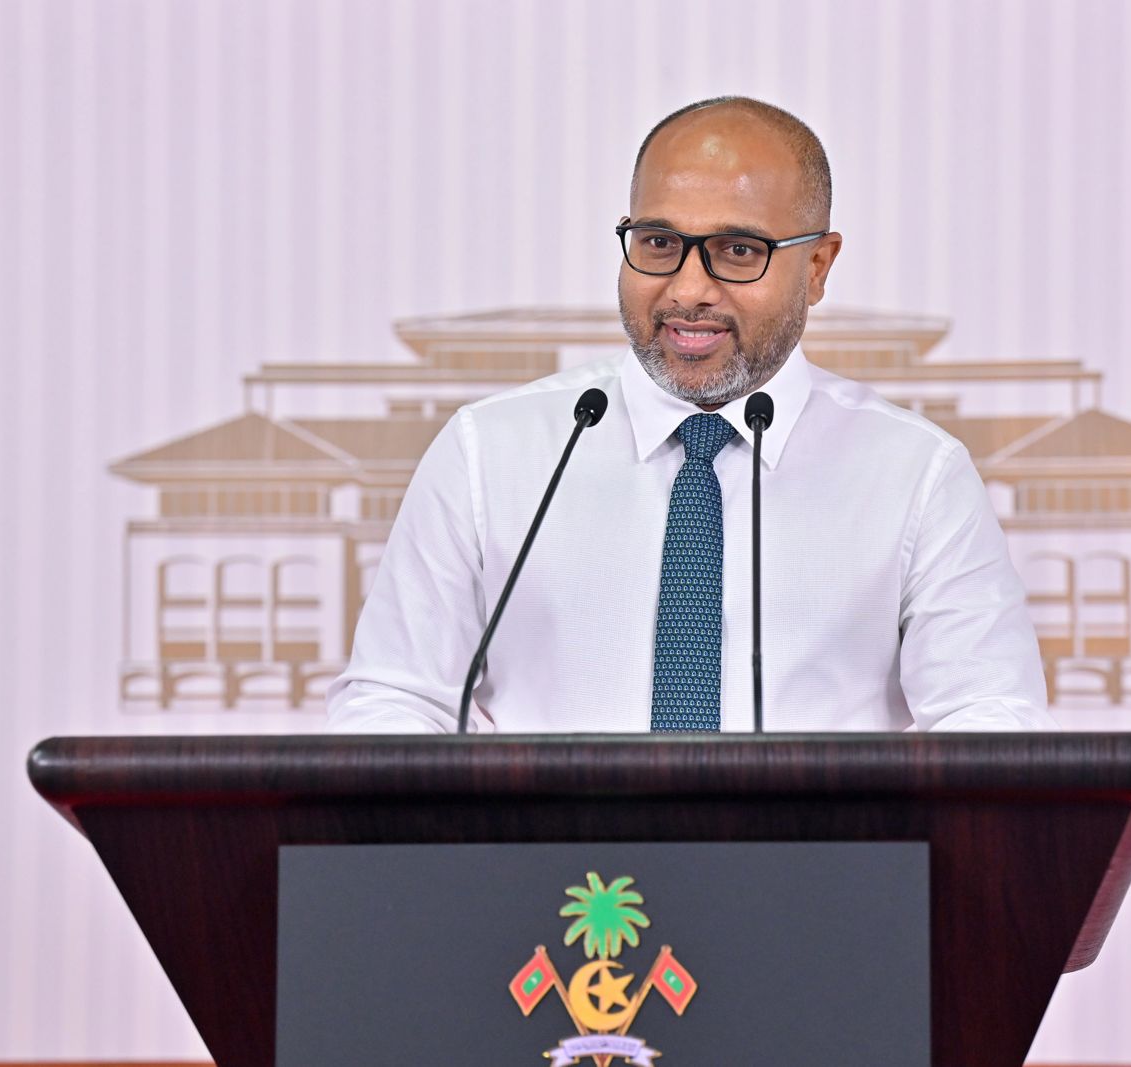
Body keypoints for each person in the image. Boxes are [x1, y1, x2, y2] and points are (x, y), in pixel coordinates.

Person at [327, 96, 1052, 733]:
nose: (687, 289)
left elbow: (989, 720)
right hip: (554, 855)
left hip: (812, 854)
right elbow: (395, 700)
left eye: (738, 250)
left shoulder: (917, 474)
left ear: (818, 267)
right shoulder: (491, 451)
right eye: (660, 243)